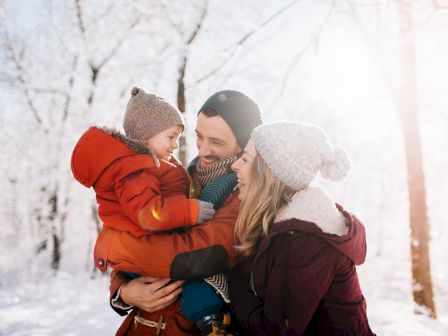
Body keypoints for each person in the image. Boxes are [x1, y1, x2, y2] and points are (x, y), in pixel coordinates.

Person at [95, 90, 263, 335]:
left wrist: (117, 246)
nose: (203, 150)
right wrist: (125, 293)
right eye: (199, 136)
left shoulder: (244, 196)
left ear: (243, 143)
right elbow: (135, 227)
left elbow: (198, 254)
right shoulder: (177, 178)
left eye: (216, 142)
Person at [229, 121, 375, 335]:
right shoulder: (279, 225)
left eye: (245, 159)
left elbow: (275, 330)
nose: (235, 165)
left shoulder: (305, 242)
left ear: (268, 174)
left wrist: (229, 281)